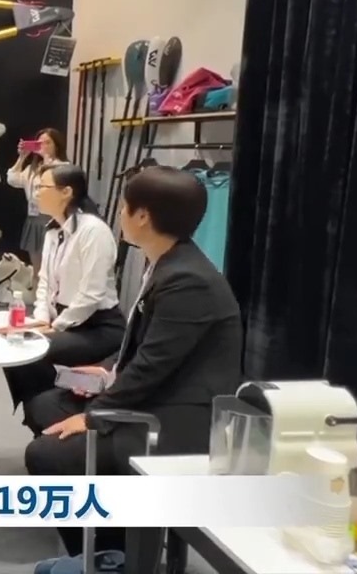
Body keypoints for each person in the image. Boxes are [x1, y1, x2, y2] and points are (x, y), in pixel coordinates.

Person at [23, 166, 243, 570]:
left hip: (178, 419)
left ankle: (116, 555)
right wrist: (108, 373)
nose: (120, 215)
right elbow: (146, 349)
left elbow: (153, 367)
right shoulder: (168, 263)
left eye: (124, 207)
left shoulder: (188, 280)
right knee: (45, 406)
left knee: (47, 454)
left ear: (143, 215)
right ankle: (107, 536)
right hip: (157, 395)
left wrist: (94, 416)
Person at [2, 164, 124, 423]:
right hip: (65, 320)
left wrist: (56, 326)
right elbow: (44, 281)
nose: (36, 192)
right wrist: (41, 318)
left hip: (99, 327)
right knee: (14, 347)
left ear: (66, 192)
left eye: (42, 187)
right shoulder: (53, 231)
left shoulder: (93, 231)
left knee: (33, 350)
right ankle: (43, 415)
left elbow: (91, 295)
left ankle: (49, 413)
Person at [6, 128, 68, 270]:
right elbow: (13, 179)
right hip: (34, 220)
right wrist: (22, 157)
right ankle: (36, 285)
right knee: (37, 269)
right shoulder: (33, 168)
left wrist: (46, 159)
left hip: (54, 220)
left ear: (57, 145)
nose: (43, 146)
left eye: (48, 142)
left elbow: (53, 184)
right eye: (39, 143)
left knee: (54, 268)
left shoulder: (63, 167)